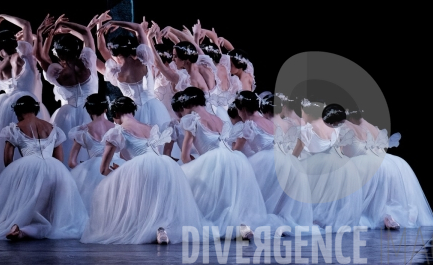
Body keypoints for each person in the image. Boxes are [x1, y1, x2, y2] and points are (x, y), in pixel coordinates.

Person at [79, 96, 210, 245]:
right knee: (157, 200)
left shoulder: (117, 132)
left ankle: (140, 227)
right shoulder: (150, 128)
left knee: (108, 190)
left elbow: (103, 169)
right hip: (164, 167)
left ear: (115, 115)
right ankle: (162, 228)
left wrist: (119, 175)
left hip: (142, 169)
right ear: (132, 112)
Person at [0, 95, 88, 240]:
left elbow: (8, 158)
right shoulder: (52, 128)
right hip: (53, 169)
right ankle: (25, 230)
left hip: (28, 167)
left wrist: (16, 174)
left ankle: (19, 227)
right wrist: (53, 170)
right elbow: (59, 158)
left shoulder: (14, 128)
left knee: (27, 205)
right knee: (45, 210)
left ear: (19, 111)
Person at [177, 86, 283, 239]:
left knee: (184, 180)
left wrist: (193, 168)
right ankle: (241, 225)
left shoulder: (192, 120)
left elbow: (185, 156)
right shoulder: (219, 120)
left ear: (186, 105)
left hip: (213, 163)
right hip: (231, 160)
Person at [0, 5, 50, 200]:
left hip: (4, 108)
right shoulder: (24, 58)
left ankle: (4, 195)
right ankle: (29, 194)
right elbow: (26, 24)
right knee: (33, 149)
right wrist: (3, 16)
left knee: (2, 151)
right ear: (17, 43)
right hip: (29, 106)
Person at [232, 91, 314, 234]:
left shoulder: (249, 125)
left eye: (238, 110)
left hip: (266, 161)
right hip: (284, 159)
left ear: (242, 109)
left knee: (246, 192)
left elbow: (237, 151)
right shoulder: (270, 122)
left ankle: (247, 227)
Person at [345, 107, 433, 228]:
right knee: (388, 194)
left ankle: (378, 215)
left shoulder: (348, 127)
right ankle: (390, 215)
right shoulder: (371, 127)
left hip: (368, 161)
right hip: (391, 162)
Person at [36, 14, 101, 167]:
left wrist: (41, 33)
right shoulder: (88, 64)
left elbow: (40, 56)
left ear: (59, 54)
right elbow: (85, 32)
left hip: (66, 115)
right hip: (92, 114)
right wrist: (62, 26)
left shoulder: (57, 74)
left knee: (65, 154)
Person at [292, 98, 363, 231]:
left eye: (303, 113)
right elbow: (339, 148)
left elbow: (295, 154)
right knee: (331, 194)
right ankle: (331, 219)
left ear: (309, 114)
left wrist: (289, 164)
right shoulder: (333, 127)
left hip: (317, 164)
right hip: (339, 163)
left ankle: (315, 218)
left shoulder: (307, 129)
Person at [95, 18, 171, 131]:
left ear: (114, 54)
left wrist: (99, 28)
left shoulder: (115, 72)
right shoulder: (144, 60)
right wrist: (114, 22)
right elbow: (138, 28)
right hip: (155, 108)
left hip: (132, 113)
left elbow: (101, 50)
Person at [67, 93, 126, 211]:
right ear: (106, 108)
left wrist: (85, 169)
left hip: (94, 171)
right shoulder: (118, 129)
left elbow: (71, 162)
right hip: (116, 167)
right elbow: (124, 155)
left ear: (89, 111)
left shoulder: (82, 131)